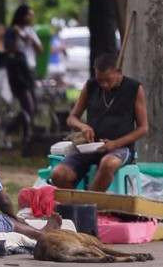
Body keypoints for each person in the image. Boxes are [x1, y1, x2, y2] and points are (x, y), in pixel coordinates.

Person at [55, 53, 149, 192]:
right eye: (100, 80)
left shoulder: (134, 88)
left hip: (120, 148)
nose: (103, 84)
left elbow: (143, 128)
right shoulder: (91, 86)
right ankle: (77, 205)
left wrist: (115, 144)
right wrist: (83, 126)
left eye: (108, 80)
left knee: (108, 164)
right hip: (90, 146)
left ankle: (91, 204)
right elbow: (72, 118)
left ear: (119, 72)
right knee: (59, 174)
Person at [4, 5, 42, 156]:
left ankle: (13, 129)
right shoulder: (12, 31)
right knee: (28, 105)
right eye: (29, 15)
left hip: (30, 70)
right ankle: (24, 135)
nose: (31, 18)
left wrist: (30, 38)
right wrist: (18, 37)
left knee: (33, 105)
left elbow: (40, 50)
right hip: (18, 71)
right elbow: (9, 49)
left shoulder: (30, 31)